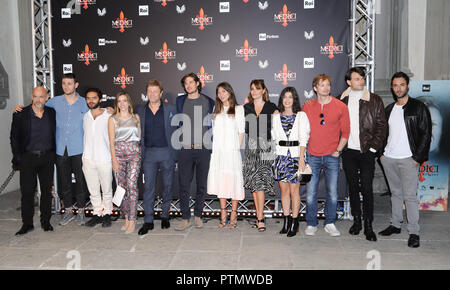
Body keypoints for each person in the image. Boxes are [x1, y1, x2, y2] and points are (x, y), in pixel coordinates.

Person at [13, 73, 90, 226]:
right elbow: (36, 105)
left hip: (79, 148)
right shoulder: (54, 101)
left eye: (70, 83)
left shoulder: (84, 102)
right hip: (60, 149)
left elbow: (96, 111)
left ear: (76, 85)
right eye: (63, 83)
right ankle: (68, 211)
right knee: (64, 182)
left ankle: (81, 211)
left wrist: (109, 109)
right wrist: (19, 108)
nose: (66, 86)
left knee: (81, 182)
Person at [379, 72, 432, 248]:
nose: (398, 88)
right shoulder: (389, 109)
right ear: (392, 88)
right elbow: (382, 134)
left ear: (407, 86)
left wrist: (417, 158)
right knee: (395, 194)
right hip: (389, 158)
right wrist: (381, 155)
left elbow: (426, 133)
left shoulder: (419, 107)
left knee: (409, 196)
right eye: (395, 85)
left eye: (402, 85)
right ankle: (395, 224)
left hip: (409, 159)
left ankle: (414, 232)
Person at [339, 67, 387, 242]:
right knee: (352, 187)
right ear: (349, 82)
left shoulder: (374, 100)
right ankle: (356, 220)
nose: (361, 81)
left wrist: (374, 148)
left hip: (367, 151)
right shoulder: (341, 100)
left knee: (366, 187)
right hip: (348, 151)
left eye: (362, 78)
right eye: (357, 79)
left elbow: (382, 126)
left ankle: (368, 224)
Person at [302, 74, 350, 237]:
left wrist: (338, 150)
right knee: (310, 192)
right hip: (313, 155)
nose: (326, 88)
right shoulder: (308, 106)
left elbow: (346, 132)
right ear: (315, 88)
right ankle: (311, 223)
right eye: (322, 85)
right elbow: (302, 130)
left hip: (332, 155)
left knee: (332, 192)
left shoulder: (340, 106)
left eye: (328, 85)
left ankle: (330, 222)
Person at [10, 87, 56, 235]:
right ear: (32, 97)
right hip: (28, 158)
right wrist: (18, 157)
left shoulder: (51, 113)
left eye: (41, 97)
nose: (38, 100)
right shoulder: (20, 113)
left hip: (47, 157)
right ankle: (27, 224)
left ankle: (46, 222)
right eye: (35, 96)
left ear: (47, 97)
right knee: (27, 192)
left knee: (46, 193)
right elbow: (14, 137)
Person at [136, 80, 178, 235]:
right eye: (150, 91)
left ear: (161, 93)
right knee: (148, 188)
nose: (152, 94)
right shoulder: (139, 110)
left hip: (167, 152)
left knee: (167, 186)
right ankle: (148, 220)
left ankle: (165, 216)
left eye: (155, 91)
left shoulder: (171, 109)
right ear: (147, 93)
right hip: (149, 154)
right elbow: (122, 115)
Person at [174, 73, 215, 231]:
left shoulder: (208, 101)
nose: (189, 85)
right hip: (185, 148)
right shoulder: (180, 101)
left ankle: (198, 215)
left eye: (191, 82)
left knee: (201, 185)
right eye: (186, 83)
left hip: (203, 148)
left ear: (198, 83)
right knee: (183, 184)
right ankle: (185, 217)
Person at [271, 87, 310, 237]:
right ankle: (286, 221)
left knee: (295, 192)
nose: (287, 100)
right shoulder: (276, 117)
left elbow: (303, 139)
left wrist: (301, 159)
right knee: (284, 192)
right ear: (281, 100)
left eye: (290, 97)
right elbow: (274, 138)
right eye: (284, 97)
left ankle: (295, 221)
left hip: (295, 157)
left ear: (294, 99)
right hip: (281, 157)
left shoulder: (301, 116)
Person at [207, 82, 245, 229]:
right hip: (218, 152)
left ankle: (234, 215)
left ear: (230, 92)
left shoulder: (238, 109)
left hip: (232, 152)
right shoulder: (216, 110)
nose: (221, 94)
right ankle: (223, 214)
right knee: (221, 182)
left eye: (224, 91)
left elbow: (241, 131)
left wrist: (236, 149)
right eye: (219, 92)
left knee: (234, 183)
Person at [243, 79, 279, 232]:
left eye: (257, 88)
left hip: (266, 146)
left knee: (261, 182)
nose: (254, 91)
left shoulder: (272, 107)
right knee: (254, 182)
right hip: (251, 146)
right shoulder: (246, 108)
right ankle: (259, 216)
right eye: (252, 89)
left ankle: (260, 217)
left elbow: (278, 128)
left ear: (264, 90)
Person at [108, 92, 141, 234]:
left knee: (132, 186)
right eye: (119, 101)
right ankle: (126, 217)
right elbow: (111, 142)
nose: (122, 103)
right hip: (119, 155)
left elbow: (139, 137)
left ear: (129, 103)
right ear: (117, 104)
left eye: (124, 100)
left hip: (134, 154)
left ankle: (133, 220)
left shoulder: (136, 118)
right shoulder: (113, 119)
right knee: (122, 188)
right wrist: (114, 160)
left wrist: (136, 150)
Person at [82, 88, 113, 228]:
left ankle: (107, 214)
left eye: (94, 98)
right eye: (88, 98)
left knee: (106, 189)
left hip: (104, 158)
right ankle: (97, 214)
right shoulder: (85, 116)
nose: (91, 101)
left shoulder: (109, 115)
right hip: (88, 158)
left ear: (100, 100)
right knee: (93, 189)